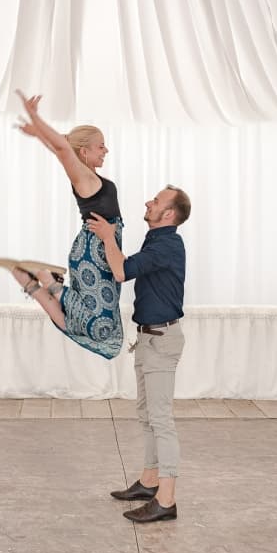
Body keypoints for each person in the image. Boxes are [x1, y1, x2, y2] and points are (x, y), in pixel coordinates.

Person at [86, 185, 190, 523]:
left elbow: (122, 271)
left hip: (161, 340)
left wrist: (107, 236)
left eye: (156, 201)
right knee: (147, 415)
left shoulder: (169, 244)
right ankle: (149, 482)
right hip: (149, 338)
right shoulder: (156, 241)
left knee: (161, 420)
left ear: (169, 214)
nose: (148, 201)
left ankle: (167, 500)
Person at [0, 90, 125, 359]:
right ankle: (47, 280)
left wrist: (40, 133)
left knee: (75, 323)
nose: (106, 150)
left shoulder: (87, 175)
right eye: (101, 146)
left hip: (97, 251)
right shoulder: (85, 179)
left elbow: (62, 149)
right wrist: (36, 117)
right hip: (94, 252)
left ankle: (34, 283)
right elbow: (63, 148)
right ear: (85, 151)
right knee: (101, 327)